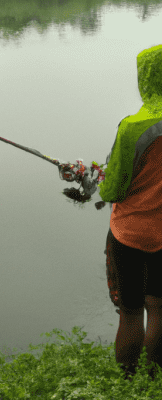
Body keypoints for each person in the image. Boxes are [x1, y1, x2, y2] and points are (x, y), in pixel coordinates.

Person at [97, 43, 162, 383]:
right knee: (160, 308)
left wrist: (98, 178)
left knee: (132, 313)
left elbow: (113, 190)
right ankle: (154, 380)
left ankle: (125, 383)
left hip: (131, 234)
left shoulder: (133, 127)